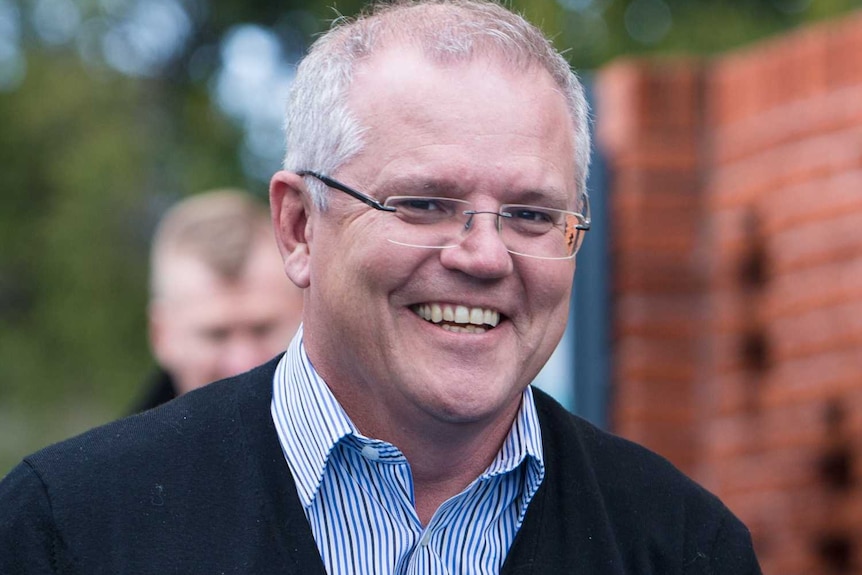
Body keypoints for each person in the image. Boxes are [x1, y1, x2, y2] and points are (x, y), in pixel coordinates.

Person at [0, 1, 762, 573]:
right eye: (425, 203)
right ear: (300, 226)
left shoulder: (683, 547)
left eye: (531, 214)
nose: (485, 255)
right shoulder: (71, 527)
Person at [132, 189, 304, 412]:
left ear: (305, 316)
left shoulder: (357, 437)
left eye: (262, 329)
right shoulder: (117, 447)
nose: (243, 364)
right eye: (217, 335)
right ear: (161, 335)